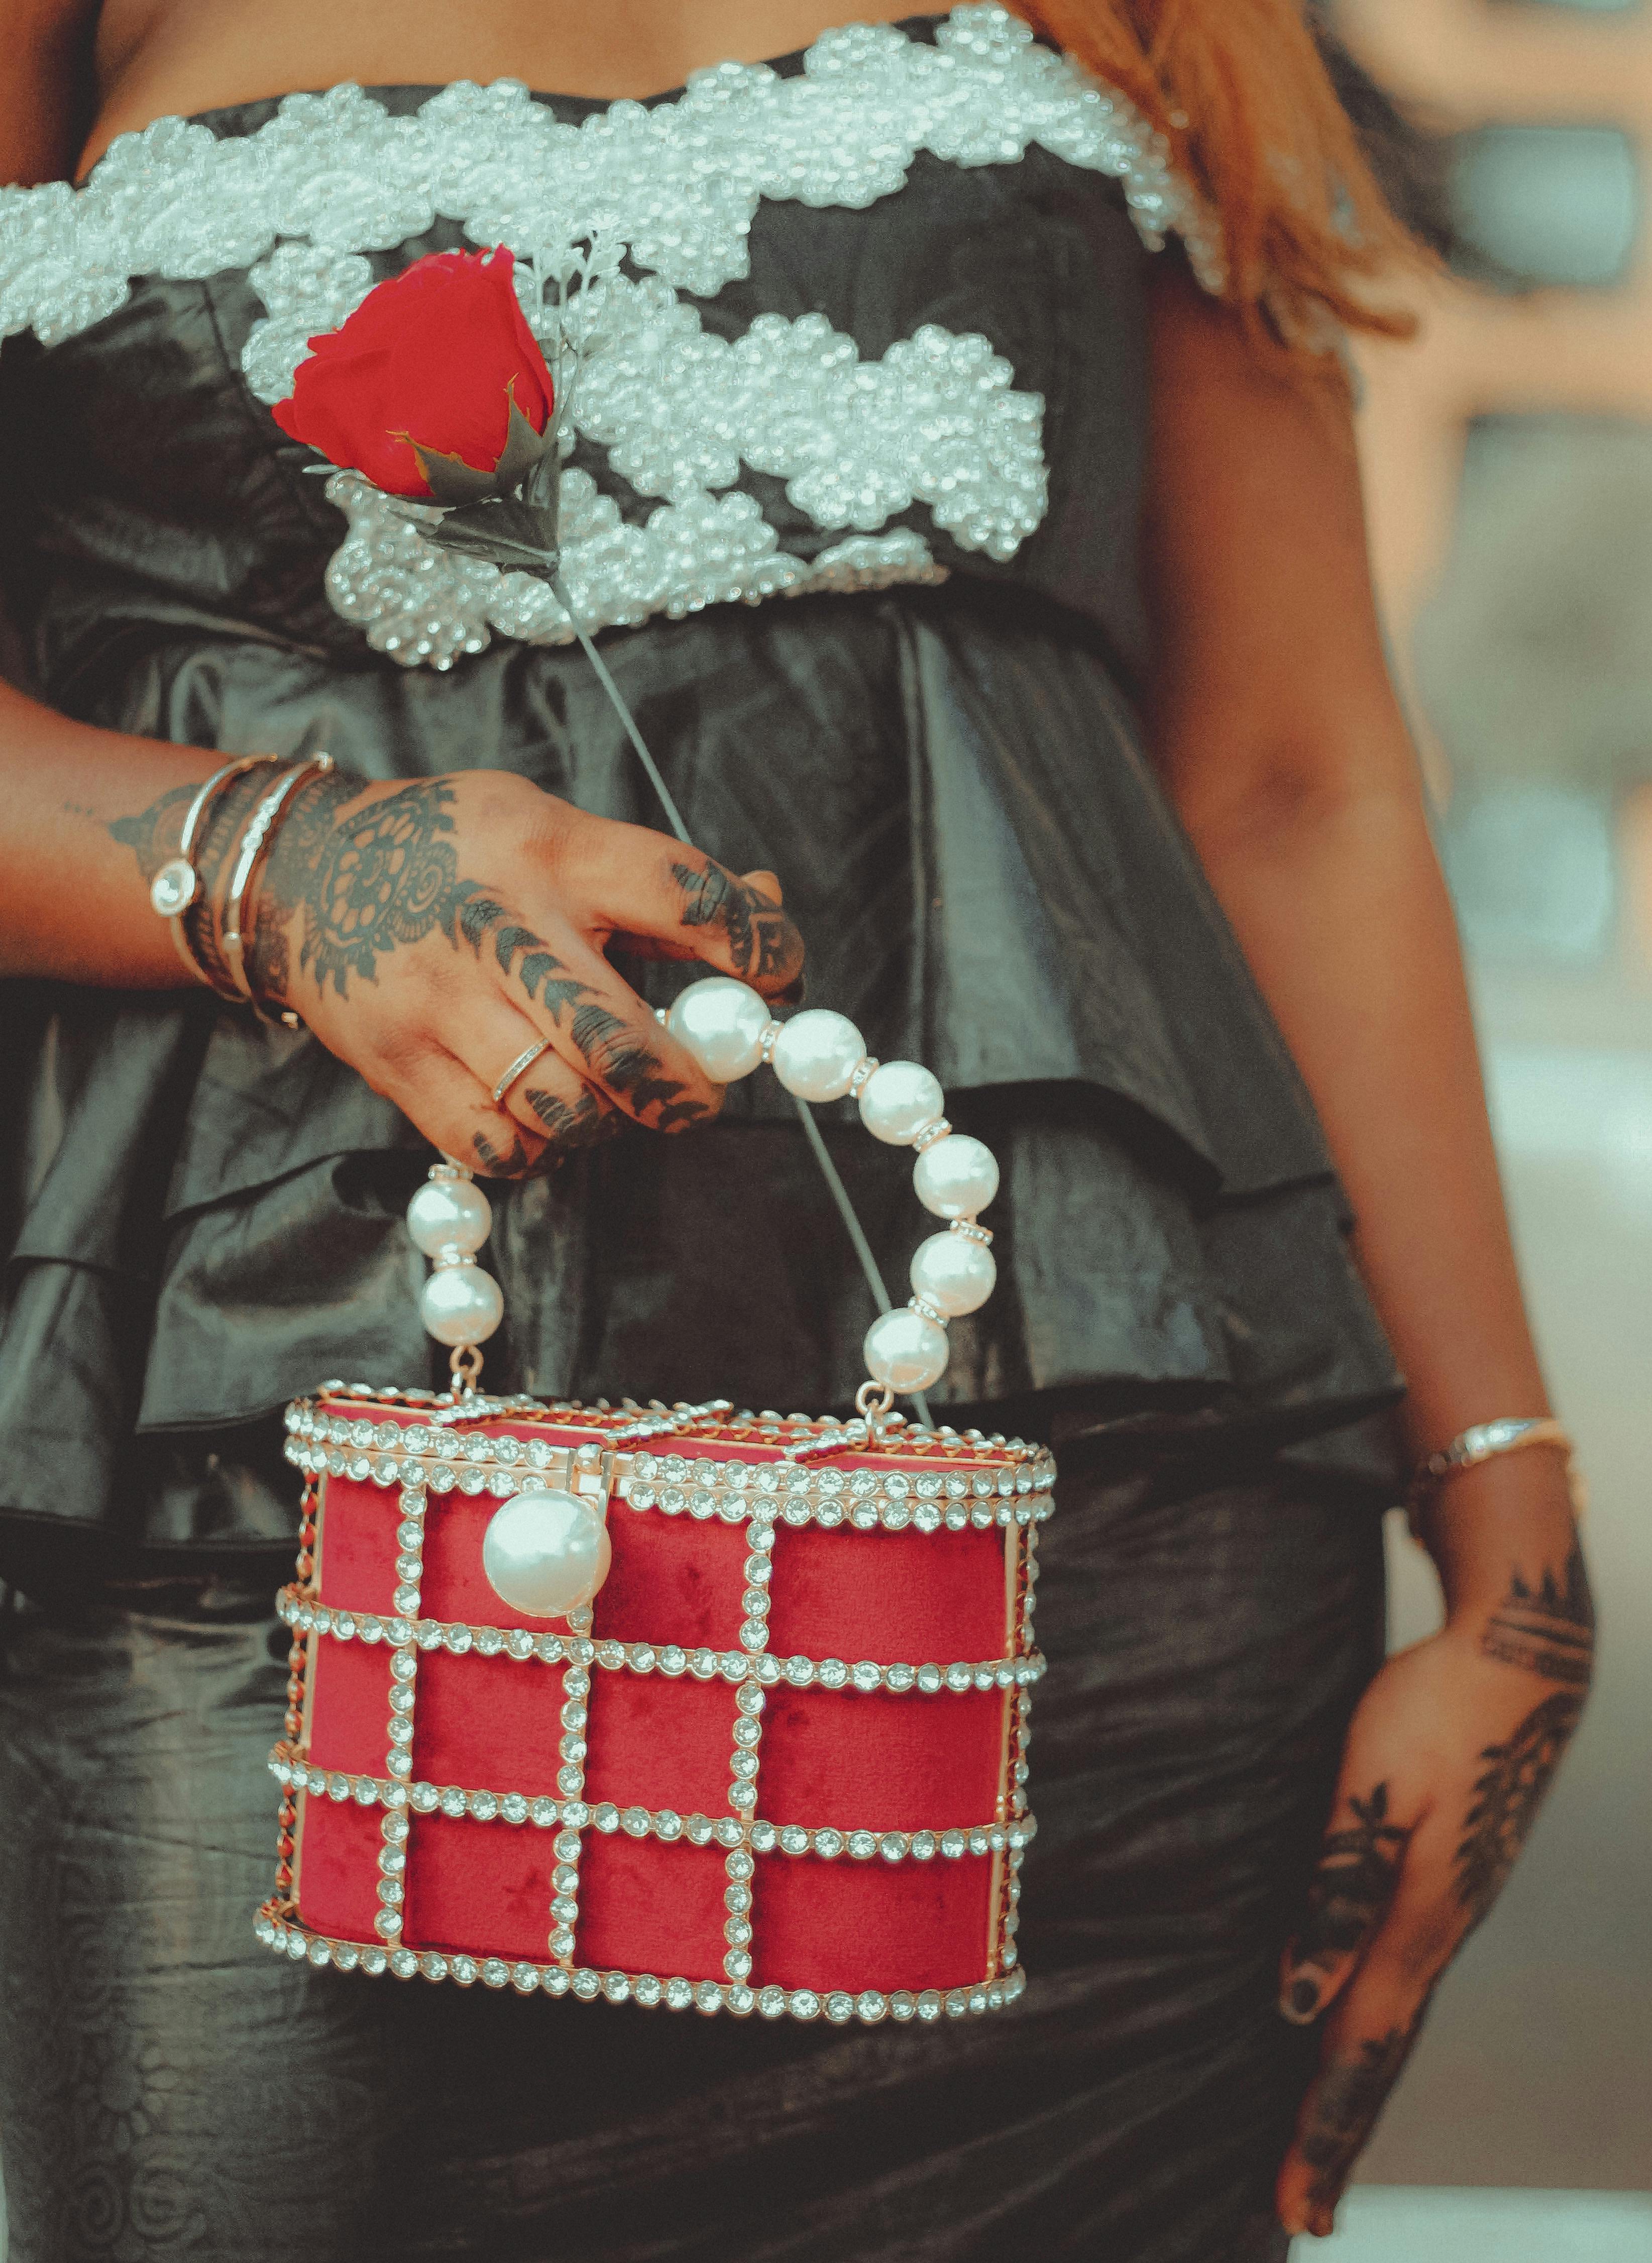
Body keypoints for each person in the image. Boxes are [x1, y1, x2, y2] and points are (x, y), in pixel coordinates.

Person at [0, 3, 1592, 2257]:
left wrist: (1511, 1547)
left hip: (1108, 1566)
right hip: (292, 1513)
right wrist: (286, 862)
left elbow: (1292, 774)